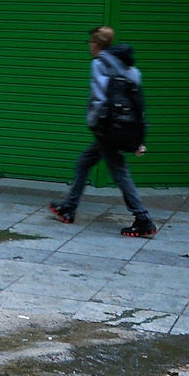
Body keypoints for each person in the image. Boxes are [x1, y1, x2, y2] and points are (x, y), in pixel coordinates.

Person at [49, 26, 156, 237]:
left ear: (96, 45)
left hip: (108, 129)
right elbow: (137, 103)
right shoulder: (130, 68)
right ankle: (69, 207)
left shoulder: (99, 64)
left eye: (91, 42)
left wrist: (93, 123)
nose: (89, 46)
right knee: (85, 161)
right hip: (123, 127)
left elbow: (99, 98)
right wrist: (138, 137)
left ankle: (143, 219)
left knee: (119, 173)